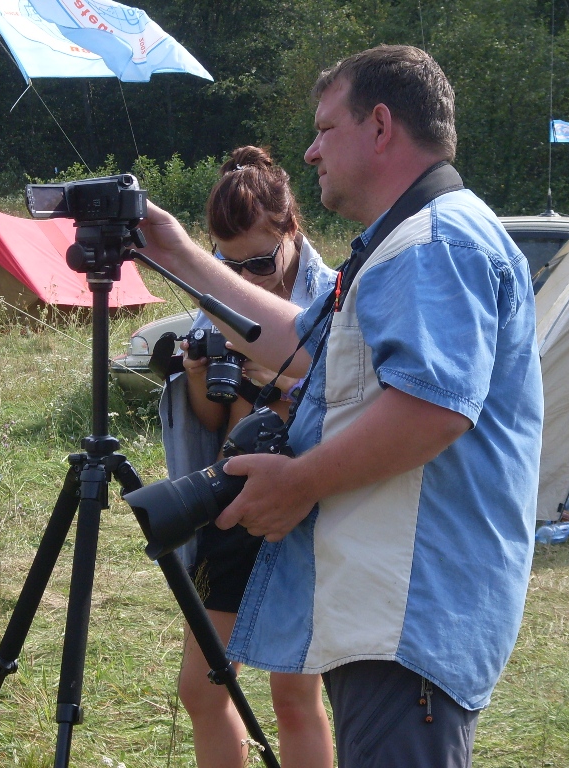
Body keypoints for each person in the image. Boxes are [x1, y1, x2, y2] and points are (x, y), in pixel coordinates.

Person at [141, 45, 543, 768]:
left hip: (407, 616)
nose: (310, 150)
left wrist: (298, 483)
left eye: (326, 128)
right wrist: (173, 252)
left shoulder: (434, 242)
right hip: (386, 606)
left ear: (380, 126)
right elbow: (301, 345)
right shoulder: (407, 238)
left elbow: (432, 410)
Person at [158, 146, 336, 768]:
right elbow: (214, 423)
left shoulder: (332, 299)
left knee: (294, 695)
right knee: (203, 686)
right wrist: (199, 376)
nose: (248, 278)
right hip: (232, 501)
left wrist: (278, 383)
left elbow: (348, 410)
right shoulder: (217, 298)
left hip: (305, 504)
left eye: (260, 261)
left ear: (293, 231)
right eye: (228, 263)